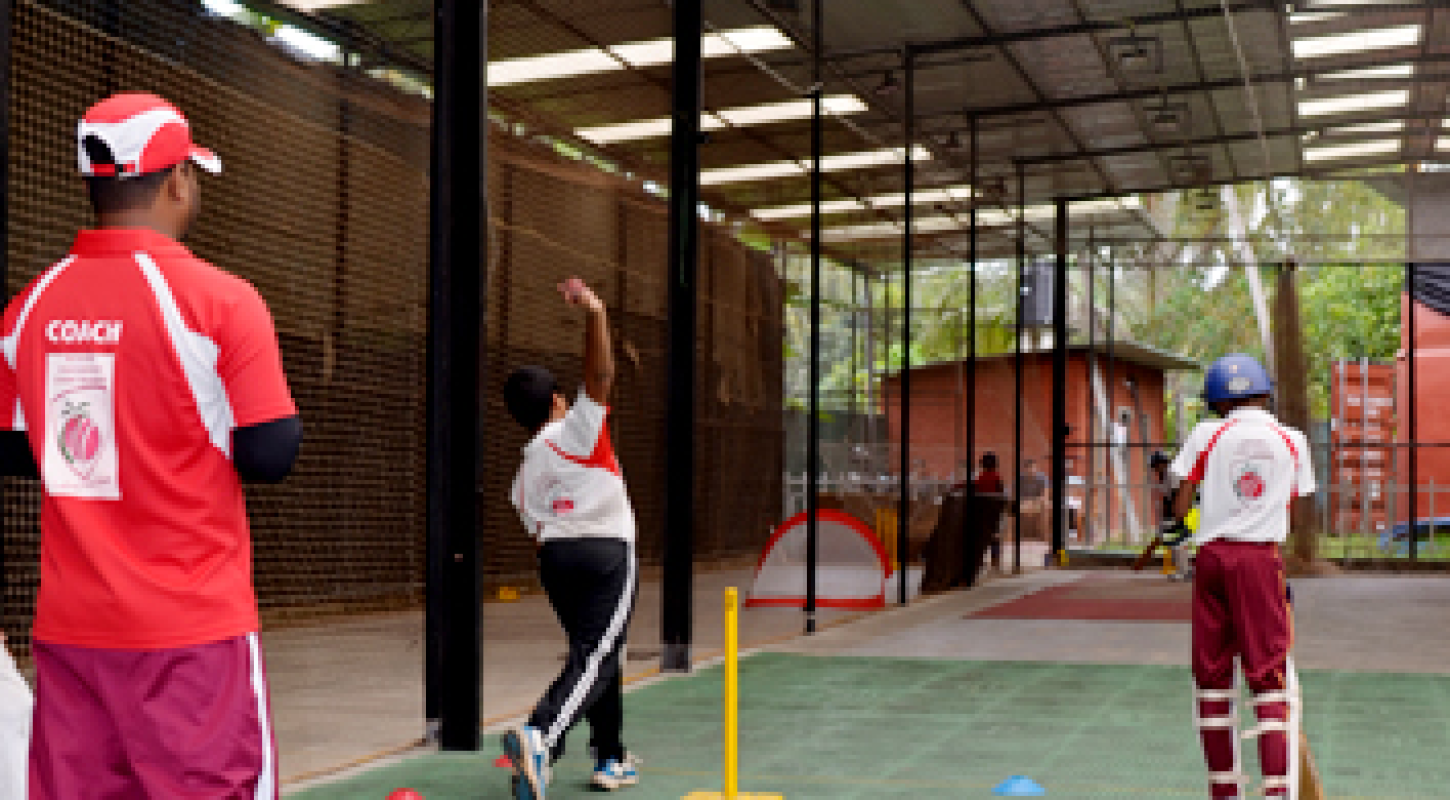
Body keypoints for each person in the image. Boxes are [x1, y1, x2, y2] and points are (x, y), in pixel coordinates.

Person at [0, 92, 302, 797]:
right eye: (191, 174)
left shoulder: (30, 307)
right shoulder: (221, 300)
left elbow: (14, 448)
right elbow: (271, 454)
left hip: (72, 632)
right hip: (191, 634)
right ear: (174, 180)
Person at [502, 278, 639, 799]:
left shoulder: (522, 477)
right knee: (598, 656)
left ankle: (611, 756)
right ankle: (542, 735)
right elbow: (602, 374)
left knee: (599, 652)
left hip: (556, 561)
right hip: (606, 551)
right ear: (558, 401)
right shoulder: (576, 432)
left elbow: (538, 537)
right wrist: (596, 312)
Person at [1168, 354, 1315, 799]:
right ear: (1265, 392)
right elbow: (1292, 499)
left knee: (1212, 676)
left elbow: (1179, 506)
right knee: (1268, 675)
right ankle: (1275, 791)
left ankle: (1224, 791)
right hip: (1259, 560)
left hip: (1212, 559)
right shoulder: (1291, 439)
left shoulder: (1206, 434)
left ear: (1216, 400)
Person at [1020, 458, 1048, 541]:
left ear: (1036, 468)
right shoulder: (1021, 478)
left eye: (1033, 468)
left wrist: (1039, 500)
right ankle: (1019, 534)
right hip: (1024, 501)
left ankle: (1042, 534)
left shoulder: (1042, 477)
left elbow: (1045, 493)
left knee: (1045, 505)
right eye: (1028, 468)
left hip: (1037, 501)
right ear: (1025, 469)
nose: (1031, 471)